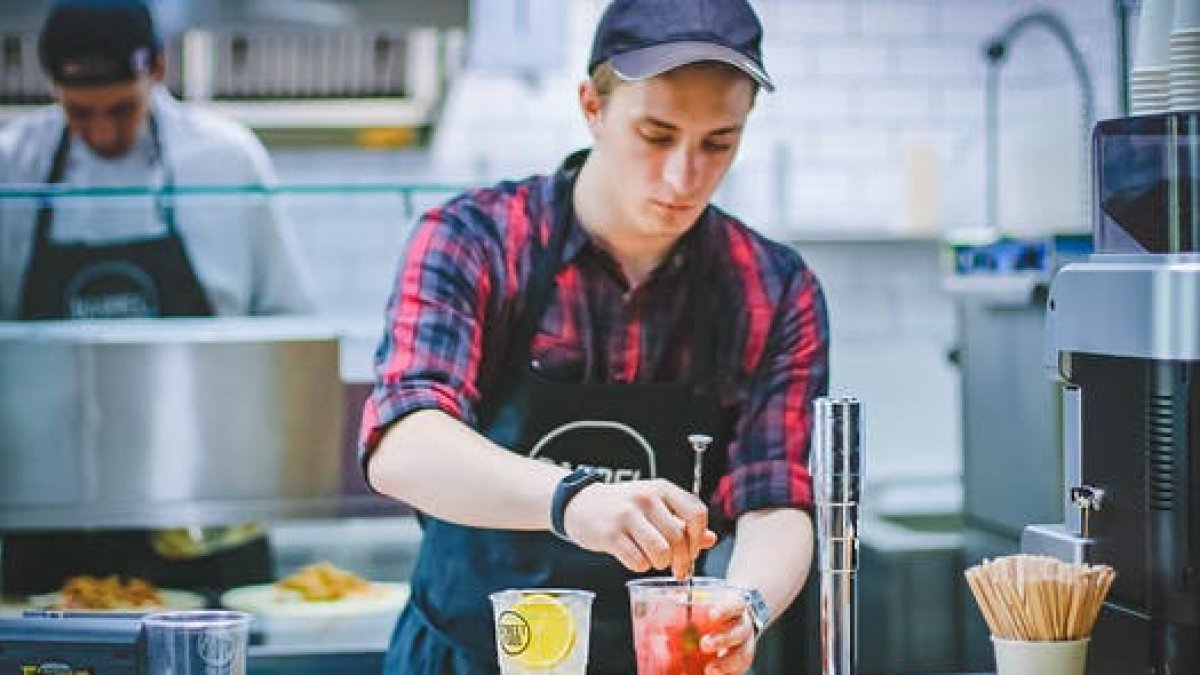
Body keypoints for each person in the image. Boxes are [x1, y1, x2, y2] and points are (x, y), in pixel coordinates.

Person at [360, 0, 829, 673]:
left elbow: (776, 497)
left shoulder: (774, 290)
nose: (683, 177)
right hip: (461, 656)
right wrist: (570, 499)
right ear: (592, 106)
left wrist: (744, 608)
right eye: (657, 134)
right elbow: (402, 445)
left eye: (718, 142)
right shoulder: (476, 240)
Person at [0, 0, 313, 597]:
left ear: (159, 71)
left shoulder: (225, 159)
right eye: (79, 114)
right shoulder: (13, 167)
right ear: (52, 89)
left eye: (123, 108)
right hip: (55, 515)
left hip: (207, 511)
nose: (103, 133)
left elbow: (286, 325)